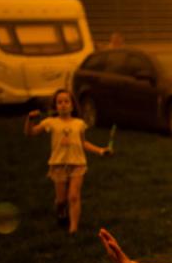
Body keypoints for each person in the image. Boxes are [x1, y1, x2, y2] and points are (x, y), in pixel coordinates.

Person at [25, 89, 110, 234]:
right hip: (58, 164)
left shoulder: (79, 124)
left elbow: (83, 143)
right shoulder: (50, 122)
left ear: (72, 105)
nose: (63, 105)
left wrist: (101, 150)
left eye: (66, 101)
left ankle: (73, 228)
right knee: (61, 200)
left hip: (77, 164)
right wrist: (30, 119)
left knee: (74, 196)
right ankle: (61, 211)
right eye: (59, 102)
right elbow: (30, 133)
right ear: (55, 106)